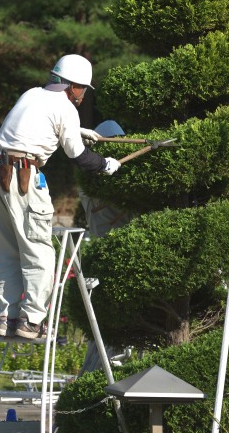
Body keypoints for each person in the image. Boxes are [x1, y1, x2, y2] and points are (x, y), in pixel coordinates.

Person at [0, 54, 122, 340]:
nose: (82, 95)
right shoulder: (67, 109)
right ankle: (31, 322)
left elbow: (34, 126)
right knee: (39, 252)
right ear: (73, 86)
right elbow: (79, 157)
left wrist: (81, 131)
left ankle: (7, 319)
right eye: (82, 89)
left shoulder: (32, 94)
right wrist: (107, 164)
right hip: (21, 175)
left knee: (7, 253)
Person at [77, 119, 133, 374]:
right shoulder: (98, 179)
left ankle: (95, 379)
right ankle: (95, 381)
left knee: (106, 333)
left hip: (110, 256)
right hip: (115, 258)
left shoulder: (93, 177)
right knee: (109, 334)